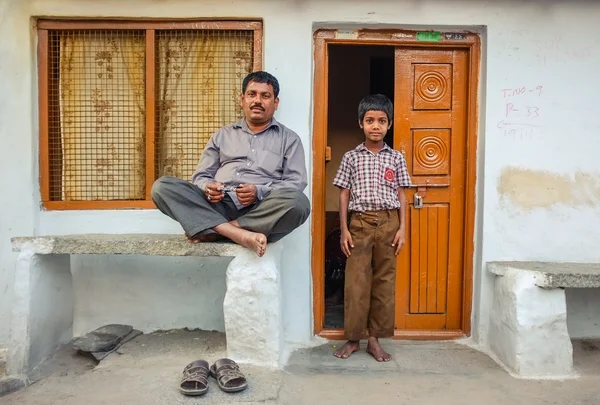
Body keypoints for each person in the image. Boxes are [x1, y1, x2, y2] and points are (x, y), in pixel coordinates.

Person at [151, 71, 310, 257]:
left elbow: (296, 182)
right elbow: (201, 176)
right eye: (252, 94)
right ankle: (238, 234)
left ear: (275, 103)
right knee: (162, 187)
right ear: (242, 99)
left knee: (299, 203)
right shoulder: (222, 135)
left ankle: (219, 230)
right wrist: (208, 188)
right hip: (218, 205)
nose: (257, 100)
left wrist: (259, 191)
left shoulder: (289, 139)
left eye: (265, 96)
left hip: (260, 209)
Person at [332, 94, 411, 362]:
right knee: (356, 281)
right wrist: (344, 229)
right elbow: (343, 194)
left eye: (381, 121)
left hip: (390, 223)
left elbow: (402, 195)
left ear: (389, 124)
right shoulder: (351, 157)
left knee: (384, 282)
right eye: (369, 121)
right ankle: (354, 338)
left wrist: (403, 230)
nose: (375, 126)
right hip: (360, 223)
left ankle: (375, 339)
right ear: (360, 124)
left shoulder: (396, 158)